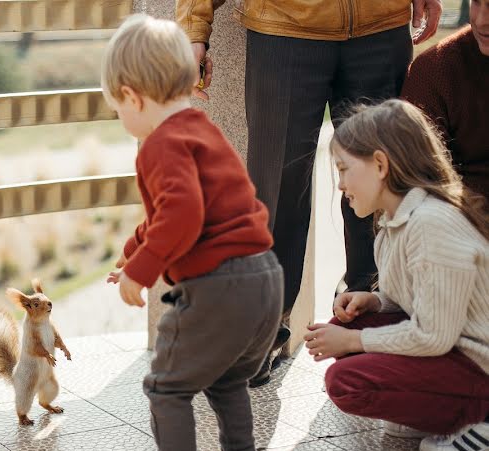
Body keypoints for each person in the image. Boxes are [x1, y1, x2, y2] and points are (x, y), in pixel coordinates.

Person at [178, 0, 443, 386]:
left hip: (381, 26)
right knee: (277, 186)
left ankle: (369, 308)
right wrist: (193, 31)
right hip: (284, 29)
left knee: (384, 182)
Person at [102, 15, 283, 451]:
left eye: (117, 108)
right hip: (263, 276)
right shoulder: (201, 129)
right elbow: (175, 212)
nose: (121, 116)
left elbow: (182, 214)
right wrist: (133, 255)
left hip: (219, 285)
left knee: (167, 385)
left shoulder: (160, 144)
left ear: (132, 96)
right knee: (225, 379)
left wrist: (142, 273)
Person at [304, 100, 489, 451]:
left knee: (346, 380)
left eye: (343, 169)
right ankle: (435, 406)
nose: (339, 184)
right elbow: (415, 303)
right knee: (346, 323)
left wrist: (355, 340)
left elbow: (433, 335)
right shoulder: (393, 224)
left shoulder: (432, 223)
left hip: (477, 362)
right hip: (453, 349)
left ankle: (478, 414)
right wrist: (374, 303)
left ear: (380, 164)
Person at [402, 0, 489, 201]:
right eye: (476, 3)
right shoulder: (434, 70)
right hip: (457, 218)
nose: (482, 20)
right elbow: (414, 179)